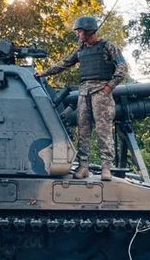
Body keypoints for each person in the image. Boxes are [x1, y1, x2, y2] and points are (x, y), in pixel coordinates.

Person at [35, 16, 129, 180]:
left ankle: (106, 168)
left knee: (103, 130)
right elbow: (64, 64)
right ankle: (83, 166)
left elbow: (122, 67)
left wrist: (110, 86)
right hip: (84, 92)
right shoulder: (81, 50)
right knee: (83, 131)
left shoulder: (108, 47)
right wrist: (43, 73)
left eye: (80, 31)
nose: (78, 34)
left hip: (101, 92)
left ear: (89, 31)